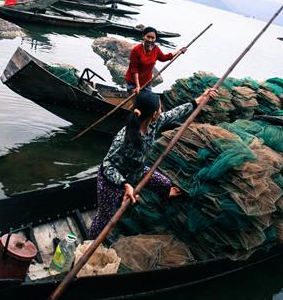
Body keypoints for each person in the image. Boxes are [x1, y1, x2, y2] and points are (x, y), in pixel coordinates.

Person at [88, 88, 218, 239]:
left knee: (165, 183)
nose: (162, 111)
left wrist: (199, 99)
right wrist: (125, 184)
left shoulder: (155, 123)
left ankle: (163, 196)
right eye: (160, 108)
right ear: (154, 114)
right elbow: (107, 165)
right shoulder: (124, 137)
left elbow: (175, 113)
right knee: (104, 216)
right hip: (112, 181)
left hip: (138, 172)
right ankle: (89, 241)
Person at [125, 26, 186, 94]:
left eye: (153, 38)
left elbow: (164, 58)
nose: (150, 40)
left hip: (146, 83)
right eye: (148, 37)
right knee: (136, 102)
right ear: (143, 36)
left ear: (155, 38)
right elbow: (134, 69)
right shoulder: (136, 50)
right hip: (133, 82)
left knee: (147, 101)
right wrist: (137, 86)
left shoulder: (156, 49)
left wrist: (179, 51)